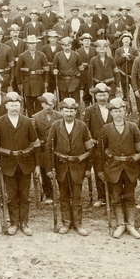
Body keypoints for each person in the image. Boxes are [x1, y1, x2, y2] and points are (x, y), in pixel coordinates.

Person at [0, 92, 41, 235]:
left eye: (17, 105)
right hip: (7, 165)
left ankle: (25, 223)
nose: (14, 108)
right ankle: (14, 223)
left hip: (25, 164)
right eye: (11, 105)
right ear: (6, 106)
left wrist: (37, 165)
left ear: (20, 106)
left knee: (25, 195)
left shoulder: (27, 122)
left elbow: (36, 145)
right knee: (11, 195)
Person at [96, 98, 140, 239]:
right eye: (115, 111)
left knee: (129, 197)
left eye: (120, 110)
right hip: (113, 168)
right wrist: (100, 170)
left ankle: (130, 225)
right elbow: (100, 150)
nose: (118, 114)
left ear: (125, 111)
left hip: (131, 168)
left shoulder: (133, 127)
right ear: (111, 112)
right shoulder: (106, 129)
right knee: (116, 197)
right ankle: (120, 225)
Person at [45, 97, 95, 235]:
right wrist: (49, 169)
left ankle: (78, 224)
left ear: (76, 112)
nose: (69, 114)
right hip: (61, 167)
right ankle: (66, 223)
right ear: (61, 111)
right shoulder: (55, 126)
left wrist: (87, 169)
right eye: (66, 111)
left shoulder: (82, 126)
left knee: (77, 197)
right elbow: (49, 148)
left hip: (78, 166)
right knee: (64, 196)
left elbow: (90, 149)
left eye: (72, 111)